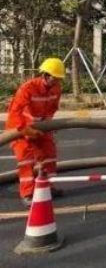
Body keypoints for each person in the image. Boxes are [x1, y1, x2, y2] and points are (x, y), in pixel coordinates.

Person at [5, 58, 65, 207]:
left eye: (58, 78)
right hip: (20, 129)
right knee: (26, 160)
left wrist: (49, 124)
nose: (56, 81)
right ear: (45, 75)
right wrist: (25, 130)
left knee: (49, 154)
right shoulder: (27, 88)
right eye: (54, 78)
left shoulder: (56, 88)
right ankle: (27, 193)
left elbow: (52, 108)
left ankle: (48, 187)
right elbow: (15, 112)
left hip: (40, 127)